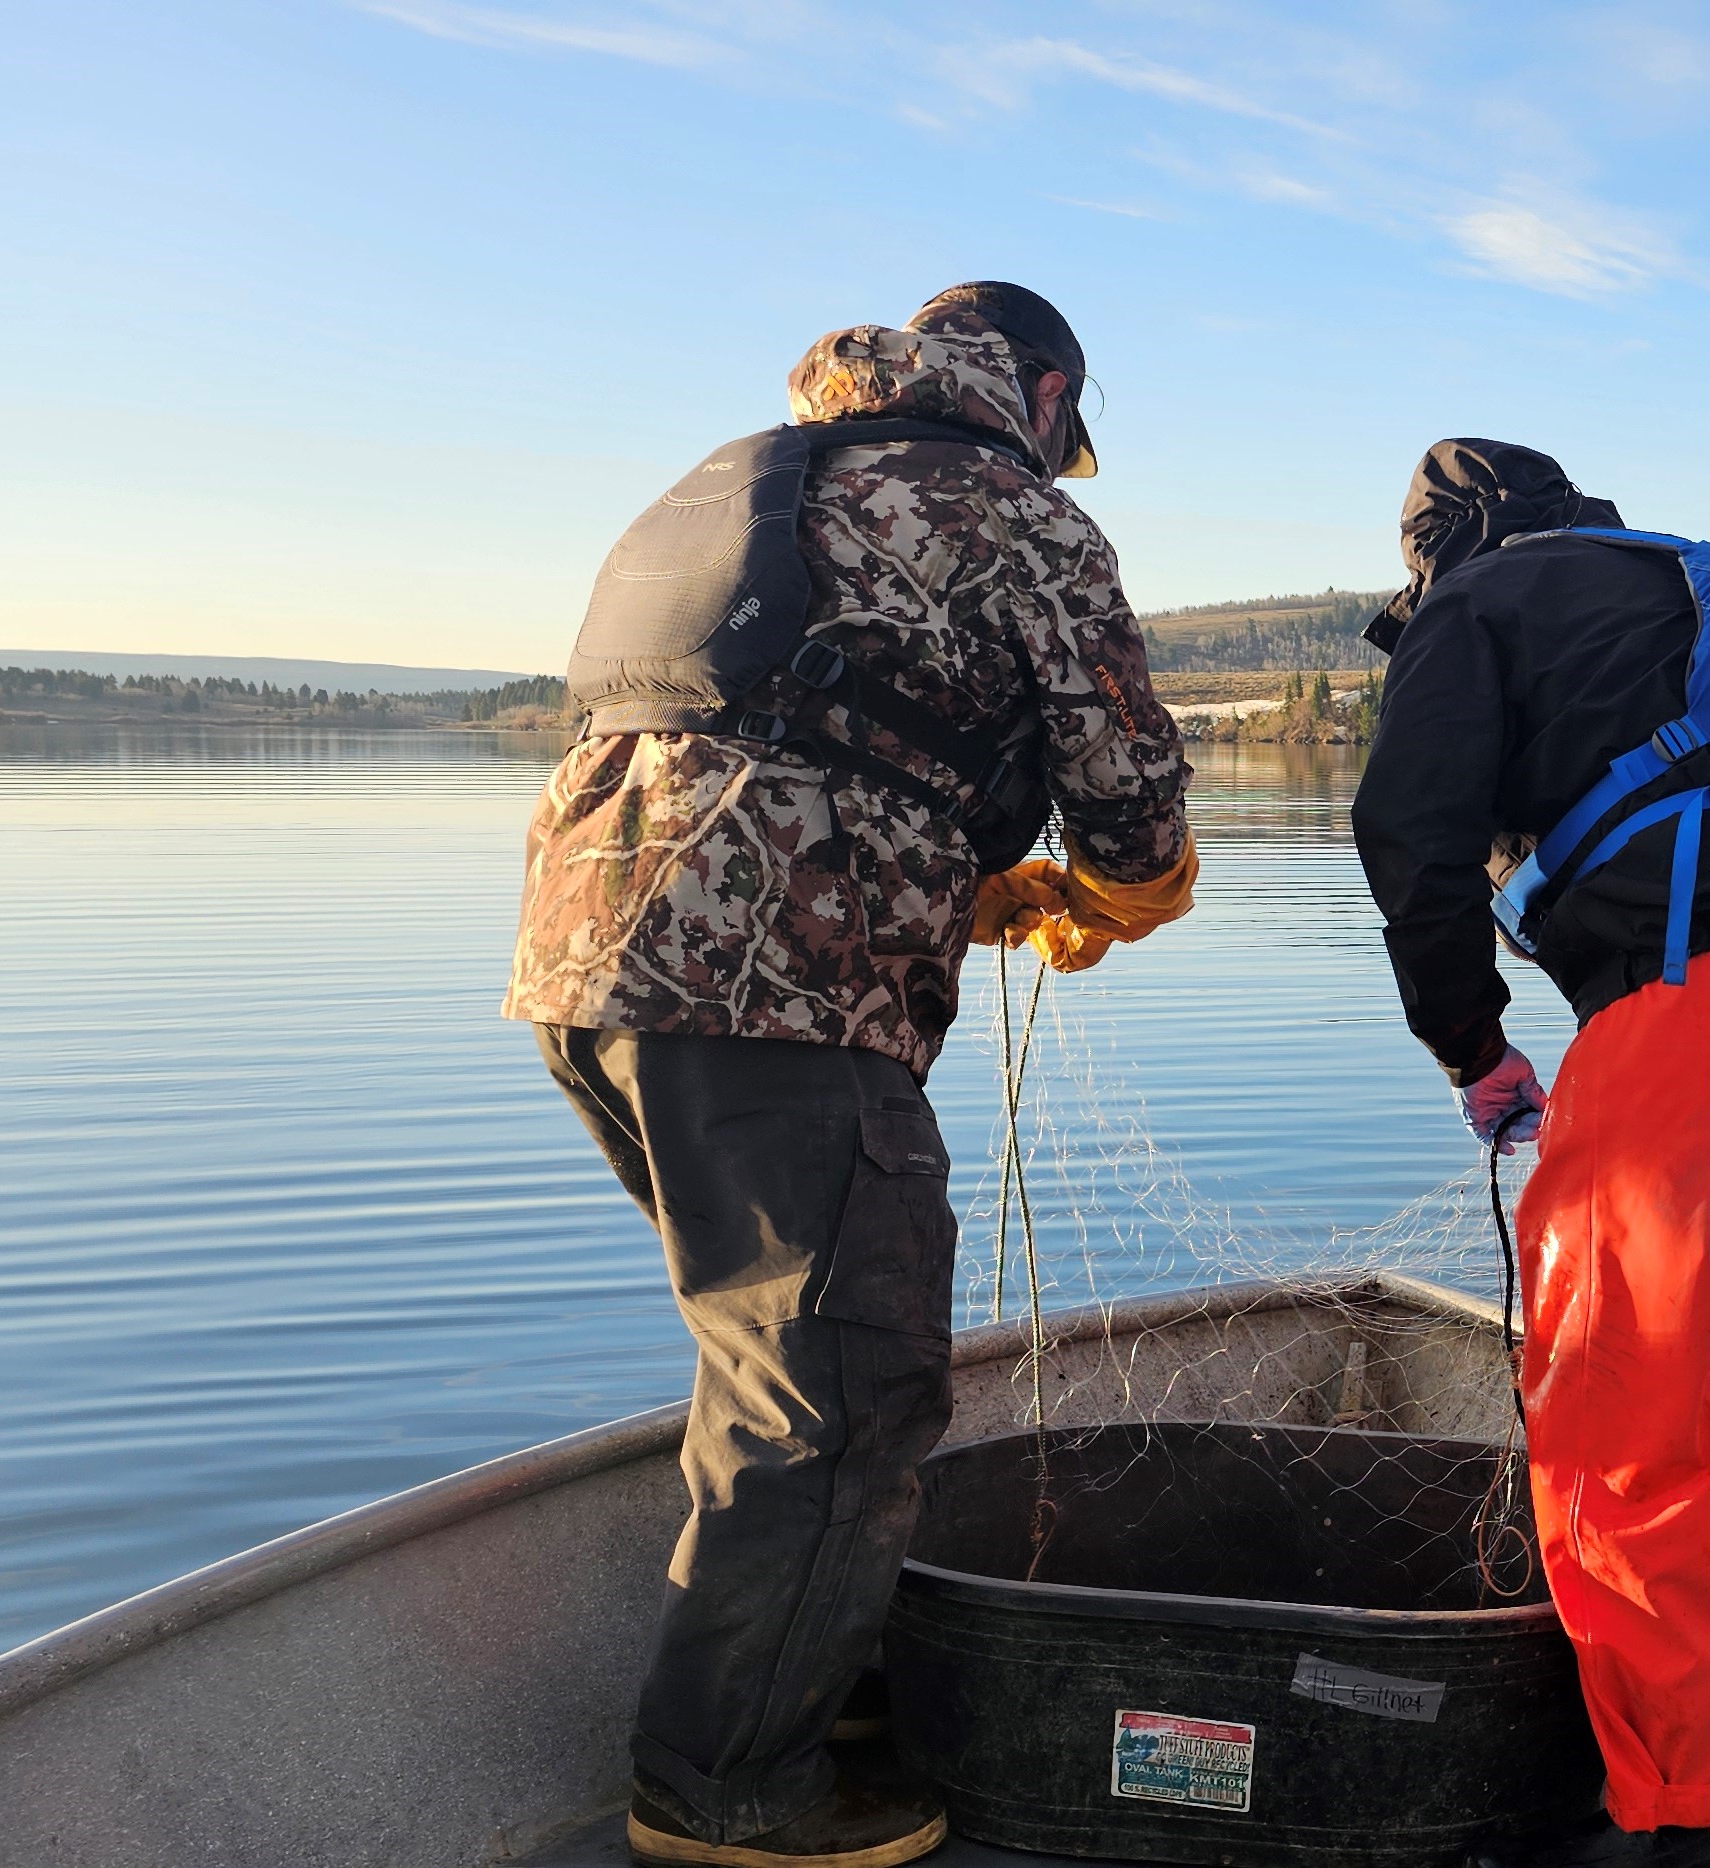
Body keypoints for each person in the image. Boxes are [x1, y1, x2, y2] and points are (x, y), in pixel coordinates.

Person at [504, 282, 1197, 1868]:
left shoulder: (766, 472)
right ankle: (726, 1787)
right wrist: (1113, 893)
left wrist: (966, 891)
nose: (1060, 460)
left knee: (782, 1363)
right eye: (1064, 431)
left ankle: (834, 1681)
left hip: (589, 964)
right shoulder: (1011, 510)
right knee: (842, 1388)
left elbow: (787, 738)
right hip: (779, 1001)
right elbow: (1132, 806)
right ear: (1037, 389)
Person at [1352, 441, 1710, 1868]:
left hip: (1697, 1006)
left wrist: (1474, 1051)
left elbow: (1406, 837)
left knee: (1620, 1429)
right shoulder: (1698, 591)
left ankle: (1679, 1824)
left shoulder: (1472, 612)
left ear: (1439, 549)